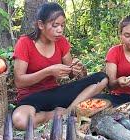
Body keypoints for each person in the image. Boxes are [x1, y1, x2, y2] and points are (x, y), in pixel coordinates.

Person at [12, 2, 108, 130]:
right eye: (55, 25)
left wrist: (77, 69)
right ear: (41, 25)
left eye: (62, 25)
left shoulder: (61, 42)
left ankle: (68, 112)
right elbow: (19, 82)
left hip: (56, 94)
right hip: (31, 98)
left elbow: (71, 73)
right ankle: (51, 115)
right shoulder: (25, 43)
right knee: (21, 121)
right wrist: (48, 72)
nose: (60, 30)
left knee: (102, 78)